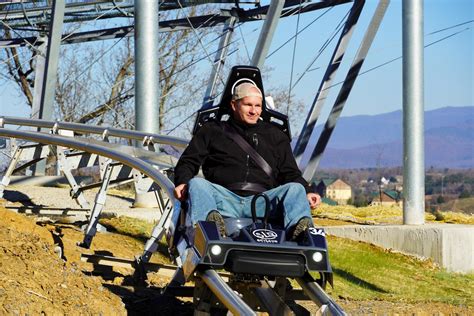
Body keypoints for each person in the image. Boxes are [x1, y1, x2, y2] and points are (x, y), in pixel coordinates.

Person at [173, 81, 320, 240]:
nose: (253, 111)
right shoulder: (212, 130)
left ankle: (301, 233)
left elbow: (290, 172)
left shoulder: (276, 136)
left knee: (295, 188)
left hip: (262, 201)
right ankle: (211, 229)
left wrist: (308, 191)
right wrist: (182, 182)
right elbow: (188, 162)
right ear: (234, 105)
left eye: (257, 106)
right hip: (223, 198)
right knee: (197, 184)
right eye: (248, 105)